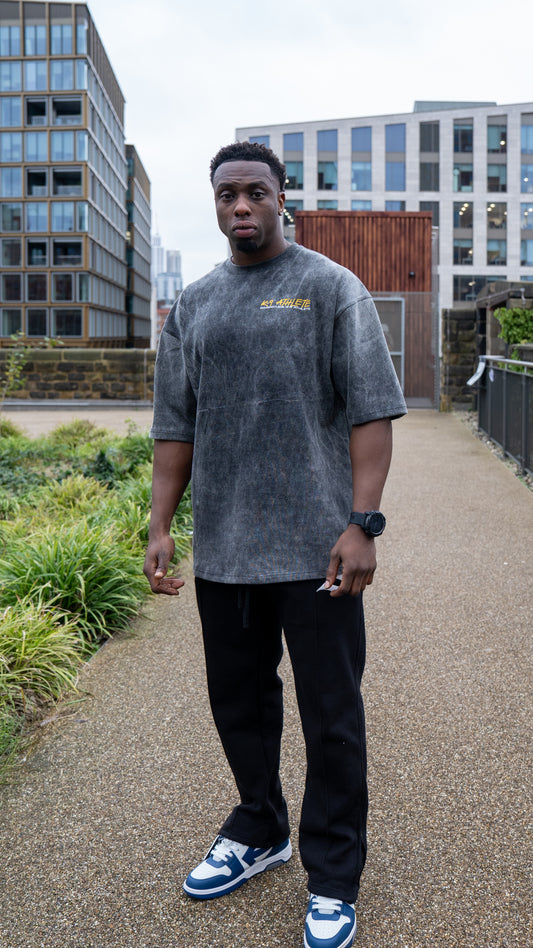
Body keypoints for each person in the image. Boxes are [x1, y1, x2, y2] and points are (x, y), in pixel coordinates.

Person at [143, 140, 407, 948]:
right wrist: (159, 525)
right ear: (215, 203)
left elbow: (369, 410)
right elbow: (175, 428)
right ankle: (260, 828)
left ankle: (333, 875)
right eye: (226, 195)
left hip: (317, 550)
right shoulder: (193, 305)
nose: (239, 208)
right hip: (225, 551)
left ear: (280, 197)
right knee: (240, 708)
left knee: (331, 716)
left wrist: (361, 525)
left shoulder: (330, 289)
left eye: (254, 192)